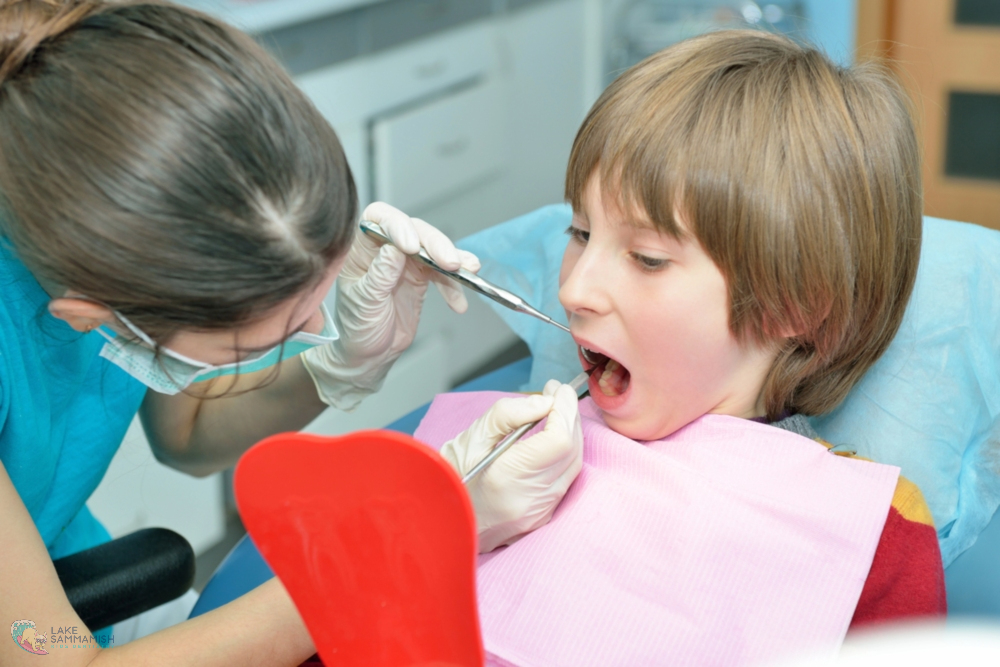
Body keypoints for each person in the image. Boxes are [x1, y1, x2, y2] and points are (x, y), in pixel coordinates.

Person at [0, 1, 581, 664]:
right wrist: (413, 538)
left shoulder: (114, 204)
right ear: (90, 315)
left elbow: (185, 434)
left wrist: (338, 365)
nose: (312, 324)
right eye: (265, 334)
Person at [444, 28, 946, 632]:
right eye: (580, 234)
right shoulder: (495, 460)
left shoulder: (868, 531)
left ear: (794, 304)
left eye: (648, 258)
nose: (574, 290)